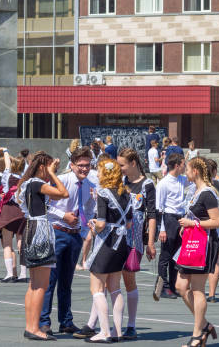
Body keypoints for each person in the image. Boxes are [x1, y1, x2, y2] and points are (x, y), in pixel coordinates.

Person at [40, 146, 96, 336]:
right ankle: (44, 322)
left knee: (66, 282)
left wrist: (85, 228)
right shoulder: (61, 181)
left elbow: (88, 209)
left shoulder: (89, 186)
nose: (84, 169)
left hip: (74, 236)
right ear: (72, 165)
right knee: (50, 280)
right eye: (80, 165)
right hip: (57, 232)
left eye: (87, 165)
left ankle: (66, 321)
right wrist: (63, 215)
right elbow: (44, 205)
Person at [18, 152, 69, 341]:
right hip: (40, 230)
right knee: (41, 285)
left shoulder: (28, 183)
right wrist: (53, 174)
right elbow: (64, 193)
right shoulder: (37, 183)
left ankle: (30, 325)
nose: (50, 171)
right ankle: (34, 327)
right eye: (48, 167)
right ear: (42, 167)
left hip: (31, 228)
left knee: (33, 285)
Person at [85, 158, 133, 343]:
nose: (97, 174)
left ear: (106, 173)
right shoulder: (126, 193)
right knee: (115, 288)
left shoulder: (103, 193)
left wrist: (93, 225)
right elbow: (128, 224)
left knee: (96, 287)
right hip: (120, 244)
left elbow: (102, 223)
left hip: (106, 243)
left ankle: (104, 331)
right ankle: (117, 331)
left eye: (99, 171)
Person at [175, 157, 219, 347]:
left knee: (197, 290)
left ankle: (197, 334)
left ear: (195, 171)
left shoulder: (208, 194)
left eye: (187, 170)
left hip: (204, 244)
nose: (185, 173)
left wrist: (192, 223)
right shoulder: (196, 192)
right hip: (192, 242)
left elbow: (216, 222)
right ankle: (204, 325)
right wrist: (186, 226)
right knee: (180, 286)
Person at [117, 148, 156, 340]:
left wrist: (150, 242)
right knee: (111, 279)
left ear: (133, 164)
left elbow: (152, 215)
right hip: (117, 237)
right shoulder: (120, 183)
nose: (120, 168)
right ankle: (114, 324)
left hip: (135, 239)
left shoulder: (147, 184)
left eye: (122, 165)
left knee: (128, 279)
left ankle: (131, 325)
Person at [154, 153, 188, 301]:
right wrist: (161, 229)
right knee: (166, 256)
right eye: (183, 164)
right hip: (168, 218)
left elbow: (195, 182)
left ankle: (173, 285)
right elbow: (159, 208)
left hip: (180, 218)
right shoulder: (164, 183)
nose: (185, 167)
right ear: (177, 165)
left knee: (176, 255)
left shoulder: (182, 179)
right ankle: (163, 286)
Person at [0, 149, 26, 283]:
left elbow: (7, 164)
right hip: (21, 211)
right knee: (21, 243)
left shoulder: (7, 176)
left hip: (8, 210)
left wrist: (5, 151)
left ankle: (10, 274)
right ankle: (23, 274)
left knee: (7, 243)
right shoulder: (25, 179)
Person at [205, 159, 219, 303]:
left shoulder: (202, 186)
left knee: (203, 258)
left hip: (207, 222)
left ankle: (200, 290)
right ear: (214, 171)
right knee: (215, 260)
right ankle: (212, 294)